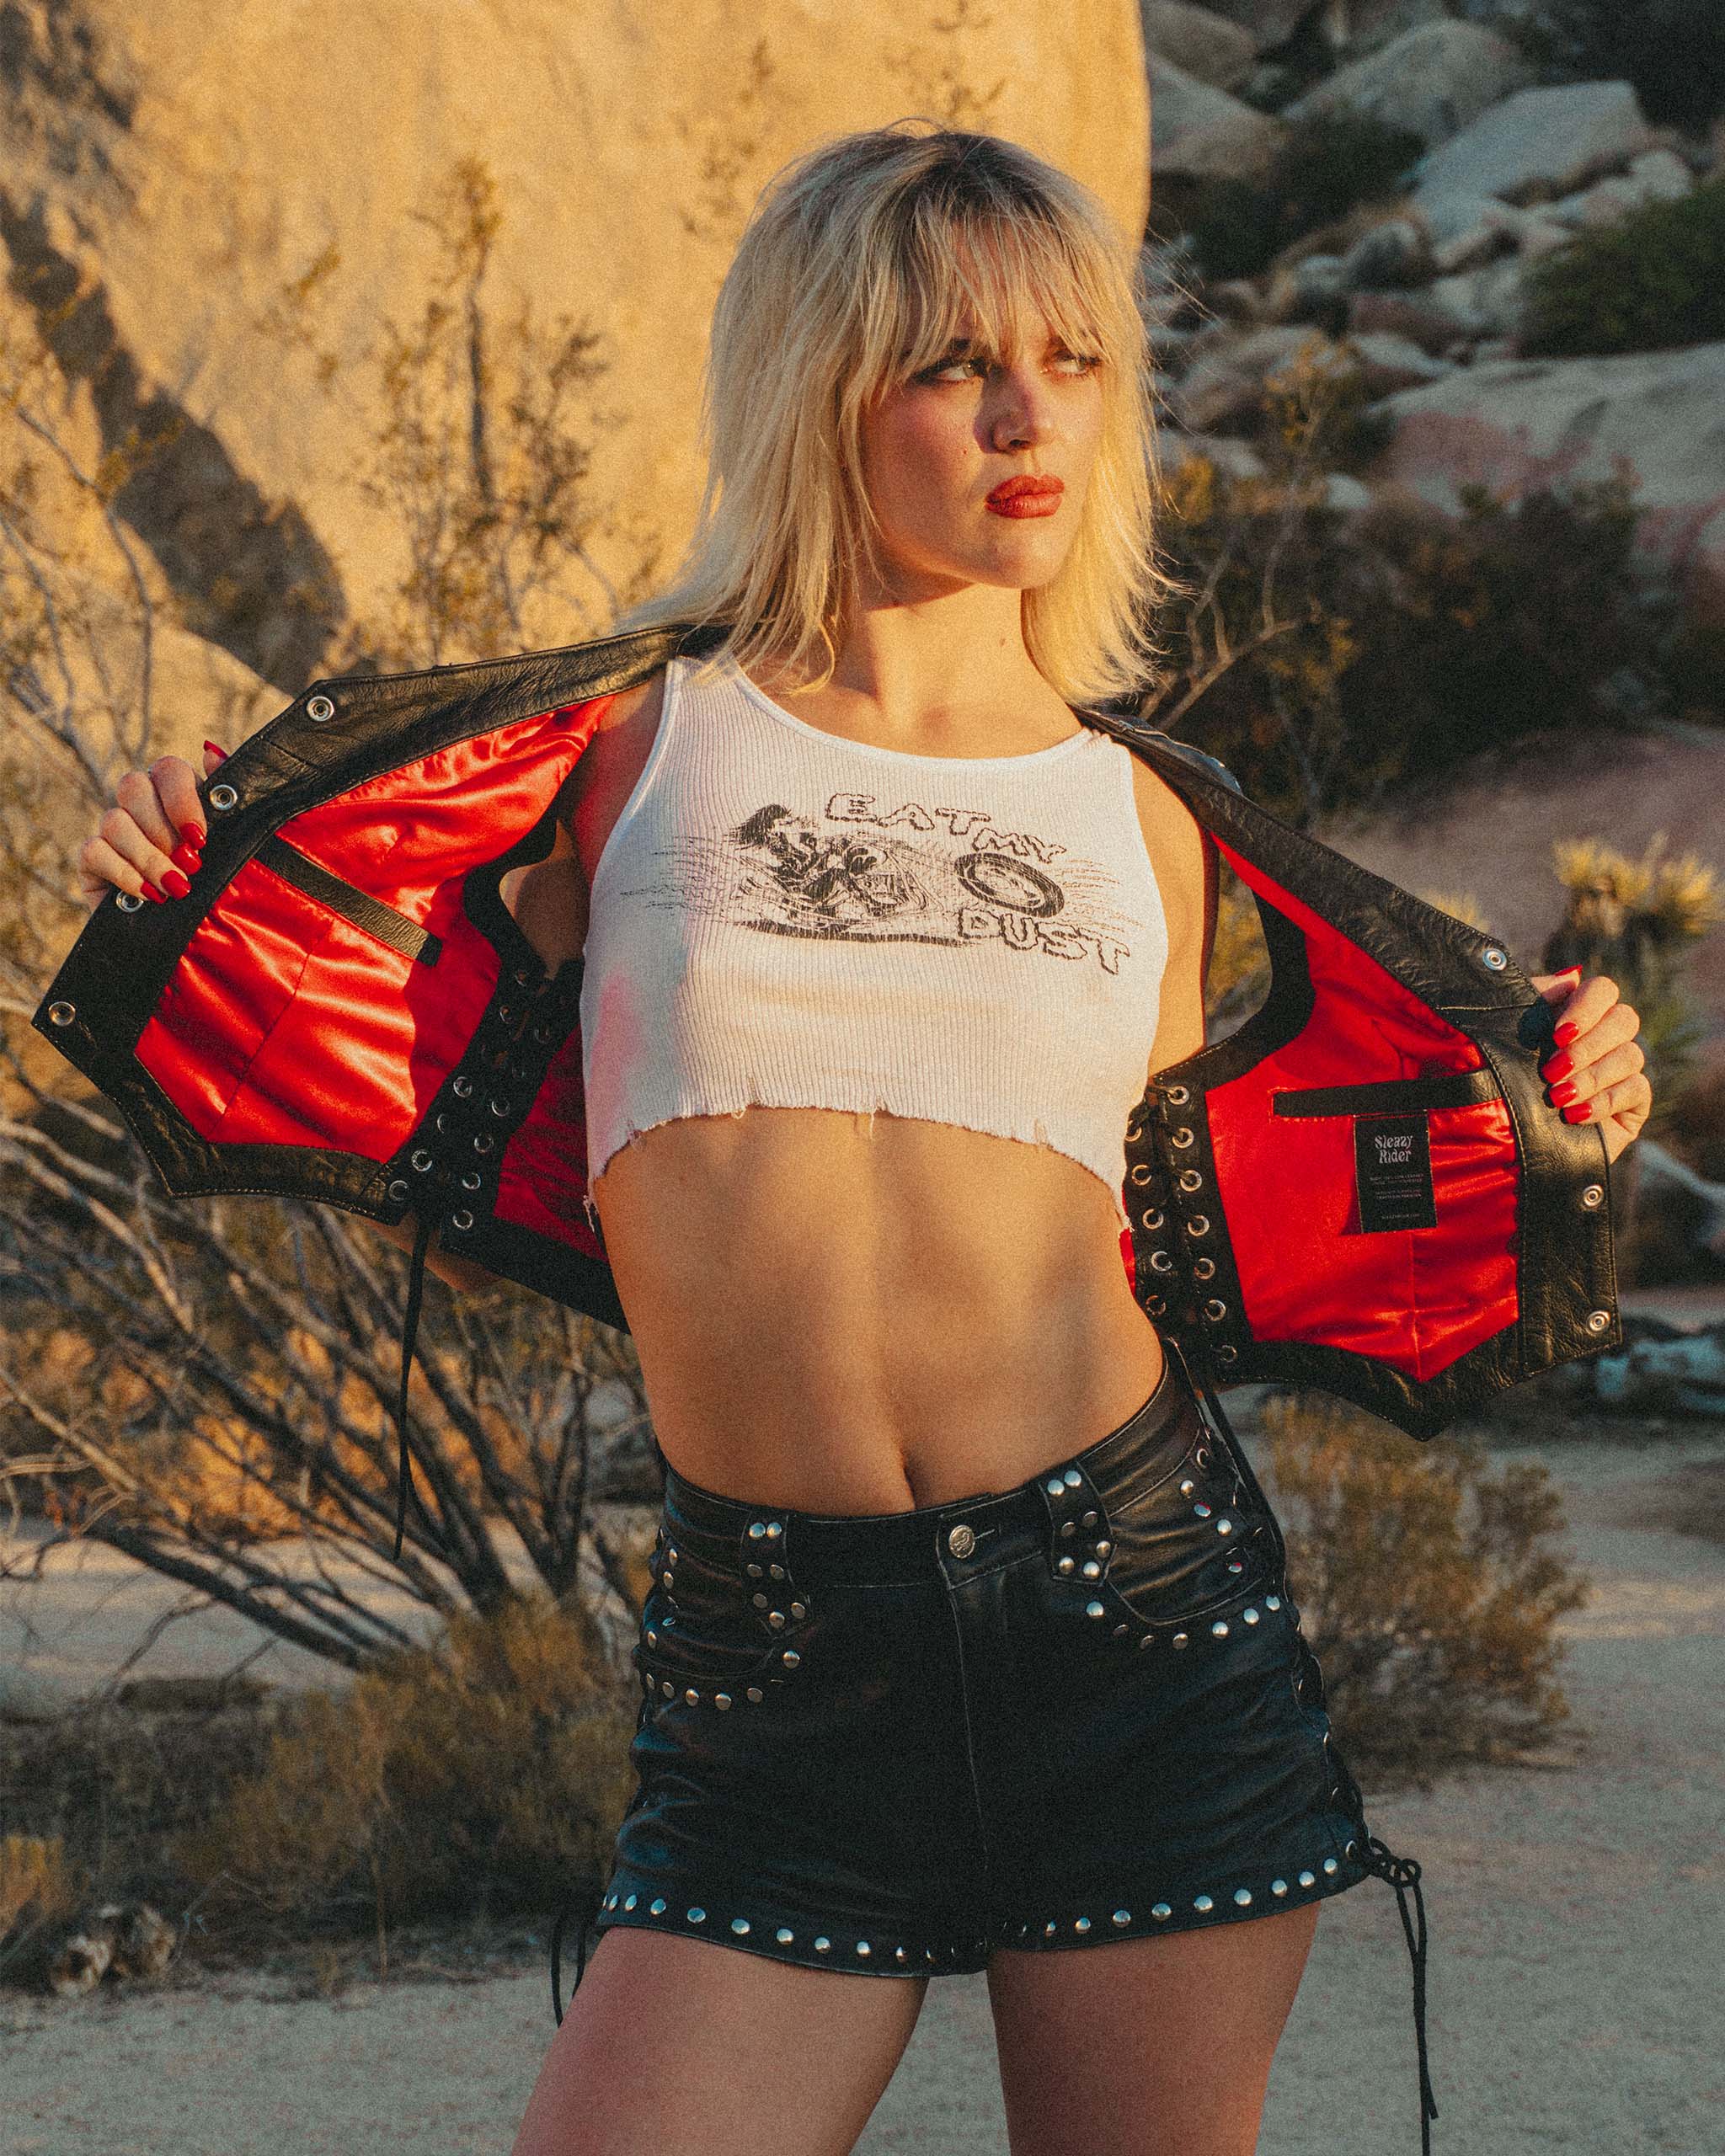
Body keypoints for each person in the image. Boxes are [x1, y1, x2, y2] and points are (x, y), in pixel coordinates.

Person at [72, 123, 1649, 2156]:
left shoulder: (1144, 812)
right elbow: (433, 1097)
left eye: (1071, 360)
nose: (1027, 418)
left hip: (1135, 1615)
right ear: (818, 391)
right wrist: (188, 869)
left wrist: (1557, 1102)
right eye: (951, 364)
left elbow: (1178, 1221)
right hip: (776, 1659)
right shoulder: (626, 750)